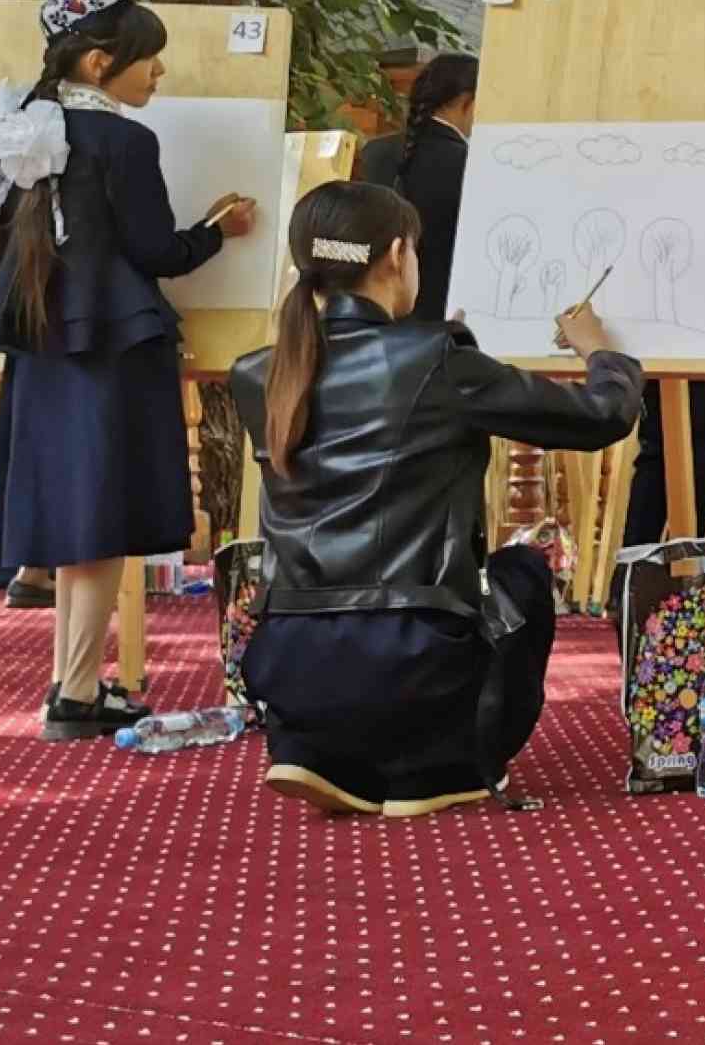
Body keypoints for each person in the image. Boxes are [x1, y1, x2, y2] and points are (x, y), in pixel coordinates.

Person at [231, 182, 643, 816]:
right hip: (414, 658)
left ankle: (320, 746)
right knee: (525, 573)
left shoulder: (258, 372)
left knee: (360, 629)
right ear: (397, 254)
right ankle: (432, 768)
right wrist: (600, 350)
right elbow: (602, 417)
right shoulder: (436, 358)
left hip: (286, 662)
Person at [0, 0, 256, 740]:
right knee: (99, 513)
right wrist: (217, 229)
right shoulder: (126, 141)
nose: (160, 76)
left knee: (75, 513)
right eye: (150, 62)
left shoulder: (18, 130)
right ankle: (73, 694)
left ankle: (72, 684)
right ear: (102, 62)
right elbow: (156, 251)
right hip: (111, 342)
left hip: (43, 342)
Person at [357, 52, 478, 323]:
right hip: (441, 314)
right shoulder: (472, 162)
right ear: (468, 101)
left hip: (373, 310)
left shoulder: (373, 152)